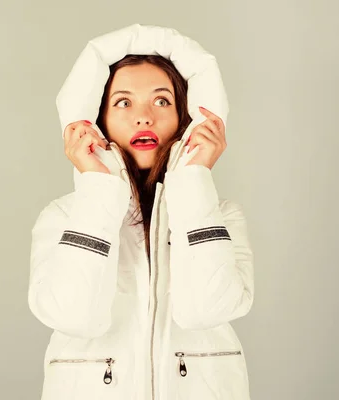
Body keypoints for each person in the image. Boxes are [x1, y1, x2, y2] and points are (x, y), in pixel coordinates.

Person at [28, 24, 254, 400]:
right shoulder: (63, 217)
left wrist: (194, 175)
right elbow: (74, 317)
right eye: (123, 102)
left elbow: (208, 310)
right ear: (96, 120)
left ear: (187, 119)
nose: (144, 117)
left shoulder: (222, 215)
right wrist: (98, 187)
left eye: (162, 101)